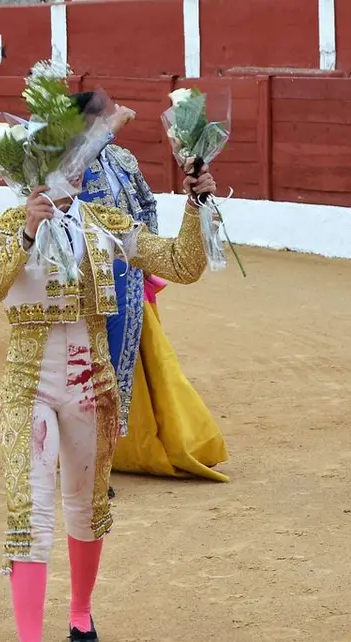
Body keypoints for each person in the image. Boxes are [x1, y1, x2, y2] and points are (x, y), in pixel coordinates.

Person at [0, 130, 217, 642]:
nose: (78, 173)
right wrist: (31, 229)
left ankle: (80, 611)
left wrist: (197, 203)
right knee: (29, 508)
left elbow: (182, 265)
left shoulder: (103, 222)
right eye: (68, 164)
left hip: (91, 383)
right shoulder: (9, 226)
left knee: (84, 503)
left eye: (81, 165)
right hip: (28, 385)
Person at [71, 91, 229, 490]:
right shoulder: (68, 158)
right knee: (84, 372)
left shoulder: (123, 160)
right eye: (104, 113)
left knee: (118, 374)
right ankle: (82, 461)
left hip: (126, 275)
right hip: (77, 284)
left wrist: (194, 203)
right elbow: (65, 173)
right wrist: (107, 129)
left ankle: (101, 459)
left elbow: (145, 209)